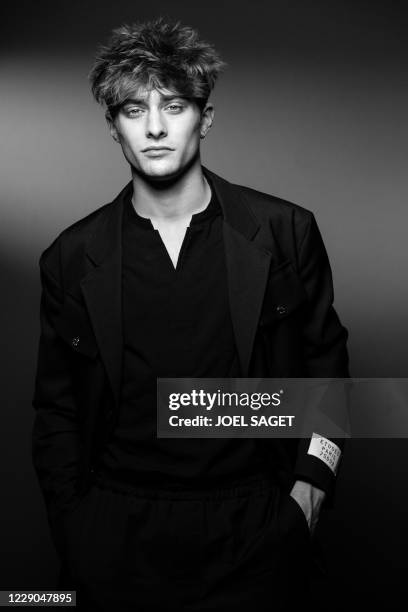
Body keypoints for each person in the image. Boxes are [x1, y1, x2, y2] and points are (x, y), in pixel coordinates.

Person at [31, 16, 349, 611]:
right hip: (119, 532)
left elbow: (330, 377)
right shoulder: (70, 259)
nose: (154, 127)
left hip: (254, 522)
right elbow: (56, 411)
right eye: (133, 110)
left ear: (205, 118)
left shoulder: (286, 234)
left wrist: (311, 490)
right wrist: (76, 527)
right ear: (113, 128)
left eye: (173, 106)